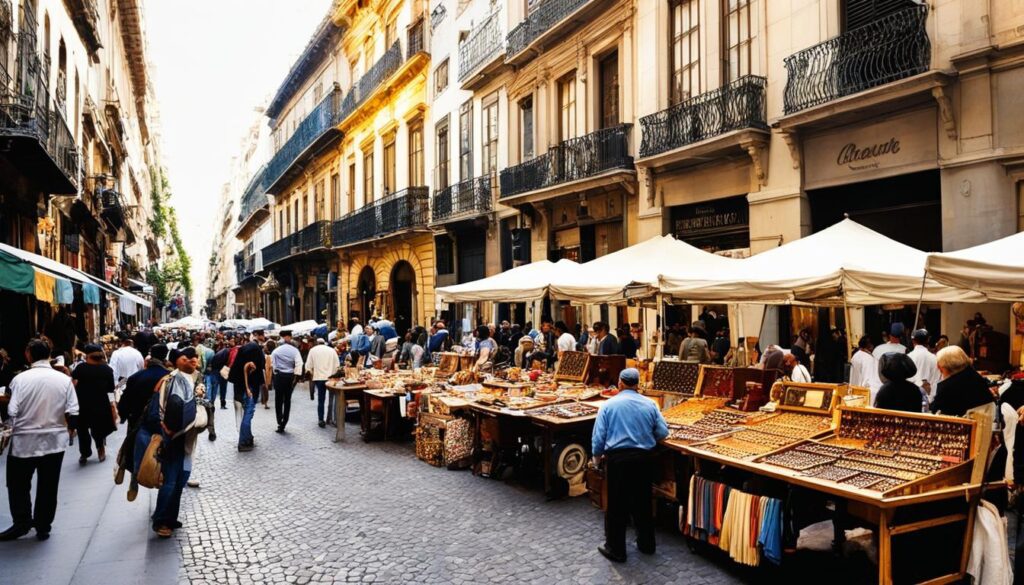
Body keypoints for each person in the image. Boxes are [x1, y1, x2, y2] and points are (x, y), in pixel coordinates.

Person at [0, 339, 80, 541]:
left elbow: (12, 410)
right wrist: (68, 429)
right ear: (49, 354)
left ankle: (22, 522)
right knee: (48, 484)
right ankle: (43, 524)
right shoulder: (63, 379)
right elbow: (73, 410)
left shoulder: (20, 380)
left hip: (24, 441)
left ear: (28, 354)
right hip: (54, 440)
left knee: (18, 484)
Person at [591, 368, 669, 563]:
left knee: (616, 505)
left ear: (620, 383)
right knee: (642, 503)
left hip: (618, 460)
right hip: (643, 459)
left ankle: (616, 549)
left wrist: (596, 460)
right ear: (637, 384)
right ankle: (647, 545)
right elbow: (662, 432)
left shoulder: (608, 405)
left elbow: (598, 439)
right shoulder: (650, 404)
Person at [137, 348, 200, 537]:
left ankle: (170, 517)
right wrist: (170, 430)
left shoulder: (188, 378)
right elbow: (174, 404)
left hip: (180, 436)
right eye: (186, 358)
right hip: (174, 437)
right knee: (171, 481)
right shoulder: (176, 379)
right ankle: (162, 521)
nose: (192, 360)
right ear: (175, 361)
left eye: (194, 357)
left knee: (179, 479)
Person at [116, 344, 170, 502]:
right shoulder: (169, 376)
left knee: (136, 450)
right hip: (162, 423)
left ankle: (135, 477)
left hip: (139, 422)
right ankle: (161, 481)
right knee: (162, 455)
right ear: (165, 357)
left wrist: (124, 415)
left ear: (150, 355)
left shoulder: (136, 377)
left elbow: (124, 403)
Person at [70, 343, 116, 464]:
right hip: (100, 404)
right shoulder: (107, 370)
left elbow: (73, 383)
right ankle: (101, 449)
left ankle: (85, 453)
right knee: (98, 428)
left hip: (82, 404)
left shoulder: (80, 368)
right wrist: (112, 404)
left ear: (87, 356)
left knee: (82, 429)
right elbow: (111, 389)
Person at [931, 346, 994, 416]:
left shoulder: (948, 387)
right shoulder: (975, 376)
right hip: (984, 421)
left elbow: (935, 412)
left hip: (965, 424)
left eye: (940, 366)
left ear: (947, 366)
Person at [229, 333, 266, 441]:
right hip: (250, 386)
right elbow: (261, 365)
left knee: (246, 411)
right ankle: (244, 440)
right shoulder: (256, 352)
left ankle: (248, 436)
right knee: (248, 412)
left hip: (240, 386)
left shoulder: (243, 351)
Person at [270, 331, 303, 433]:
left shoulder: (276, 351)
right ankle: (285, 421)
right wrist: (296, 376)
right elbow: (299, 363)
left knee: (278, 399)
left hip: (279, 376)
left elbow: (273, 364)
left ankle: (279, 421)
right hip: (289, 377)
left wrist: (276, 372)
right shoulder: (295, 351)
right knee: (287, 399)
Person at [306, 338, 339, 428]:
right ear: (324, 343)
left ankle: (321, 419)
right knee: (332, 398)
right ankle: (331, 418)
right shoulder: (332, 350)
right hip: (331, 378)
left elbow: (308, 366)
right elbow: (337, 365)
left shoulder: (313, 350)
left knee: (321, 399)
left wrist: (311, 374)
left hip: (319, 378)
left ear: (317, 343)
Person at [908, 328, 941, 404]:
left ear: (913, 341)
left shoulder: (908, 357)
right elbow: (936, 381)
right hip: (930, 401)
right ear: (928, 340)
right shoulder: (935, 358)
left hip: (911, 400)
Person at [848, 336, 882, 403]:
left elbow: (854, 378)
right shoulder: (869, 359)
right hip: (870, 393)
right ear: (870, 346)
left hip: (860, 392)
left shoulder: (857, 355)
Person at [206, 341, 229, 410]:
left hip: (215, 370)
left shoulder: (216, 353)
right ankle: (222, 404)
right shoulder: (224, 352)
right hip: (222, 370)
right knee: (222, 387)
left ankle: (212, 403)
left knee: (214, 387)